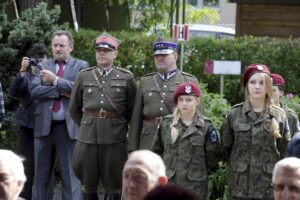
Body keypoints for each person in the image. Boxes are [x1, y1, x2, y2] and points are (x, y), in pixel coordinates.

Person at [69, 32, 137, 200]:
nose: (102, 53)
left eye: (106, 51)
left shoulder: (126, 77)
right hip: (88, 139)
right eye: (99, 50)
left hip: (114, 139)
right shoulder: (84, 75)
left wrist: (119, 126)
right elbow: (74, 108)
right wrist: (88, 123)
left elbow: (132, 110)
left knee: (112, 185)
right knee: (88, 184)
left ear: (115, 53)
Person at [30, 30, 89, 200]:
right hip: (44, 129)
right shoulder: (43, 66)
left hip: (68, 128)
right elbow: (34, 90)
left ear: (71, 47)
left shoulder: (81, 66)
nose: (57, 48)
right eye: (55, 45)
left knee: (71, 176)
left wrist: (55, 80)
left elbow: (81, 89)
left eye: (61, 45)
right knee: (41, 177)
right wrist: (61, 91)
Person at [220, 63, 291, 199]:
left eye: (262, 83)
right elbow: (225, 148)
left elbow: (284, 151)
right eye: (253, 82)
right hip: (240, 188)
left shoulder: (279, 115)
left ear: (268, 86)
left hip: (268, 188)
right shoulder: (234, 114)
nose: (257, 86)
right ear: (247, 85)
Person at [128, 38, 202, 151]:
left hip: (176, 139)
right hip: (148, 140)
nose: (160, 58)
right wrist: (133, 148)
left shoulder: (188, 81)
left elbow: (199, 117)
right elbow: (136, 118)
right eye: (157, 55)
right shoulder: (145, 81)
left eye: (164, 55)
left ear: (175, 56)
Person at [152, 82, 220, 199]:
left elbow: (213, 159)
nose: (184, 103)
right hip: (170, 183)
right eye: (181, 100)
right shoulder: (166, 124)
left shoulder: (206, 126)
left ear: (197, 101)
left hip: (195, 186)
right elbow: (156, 152)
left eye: (189, 100)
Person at [8, 42, 48, 200]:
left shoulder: (48, 75)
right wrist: (22, 71)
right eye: (35, 59)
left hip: (45, 126)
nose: (38, 62)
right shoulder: (25, 76)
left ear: (47, 59)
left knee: (44, 166)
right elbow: (13, 92)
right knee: (26, 166)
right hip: (27, 127)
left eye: (42, 59)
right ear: (30, 60)